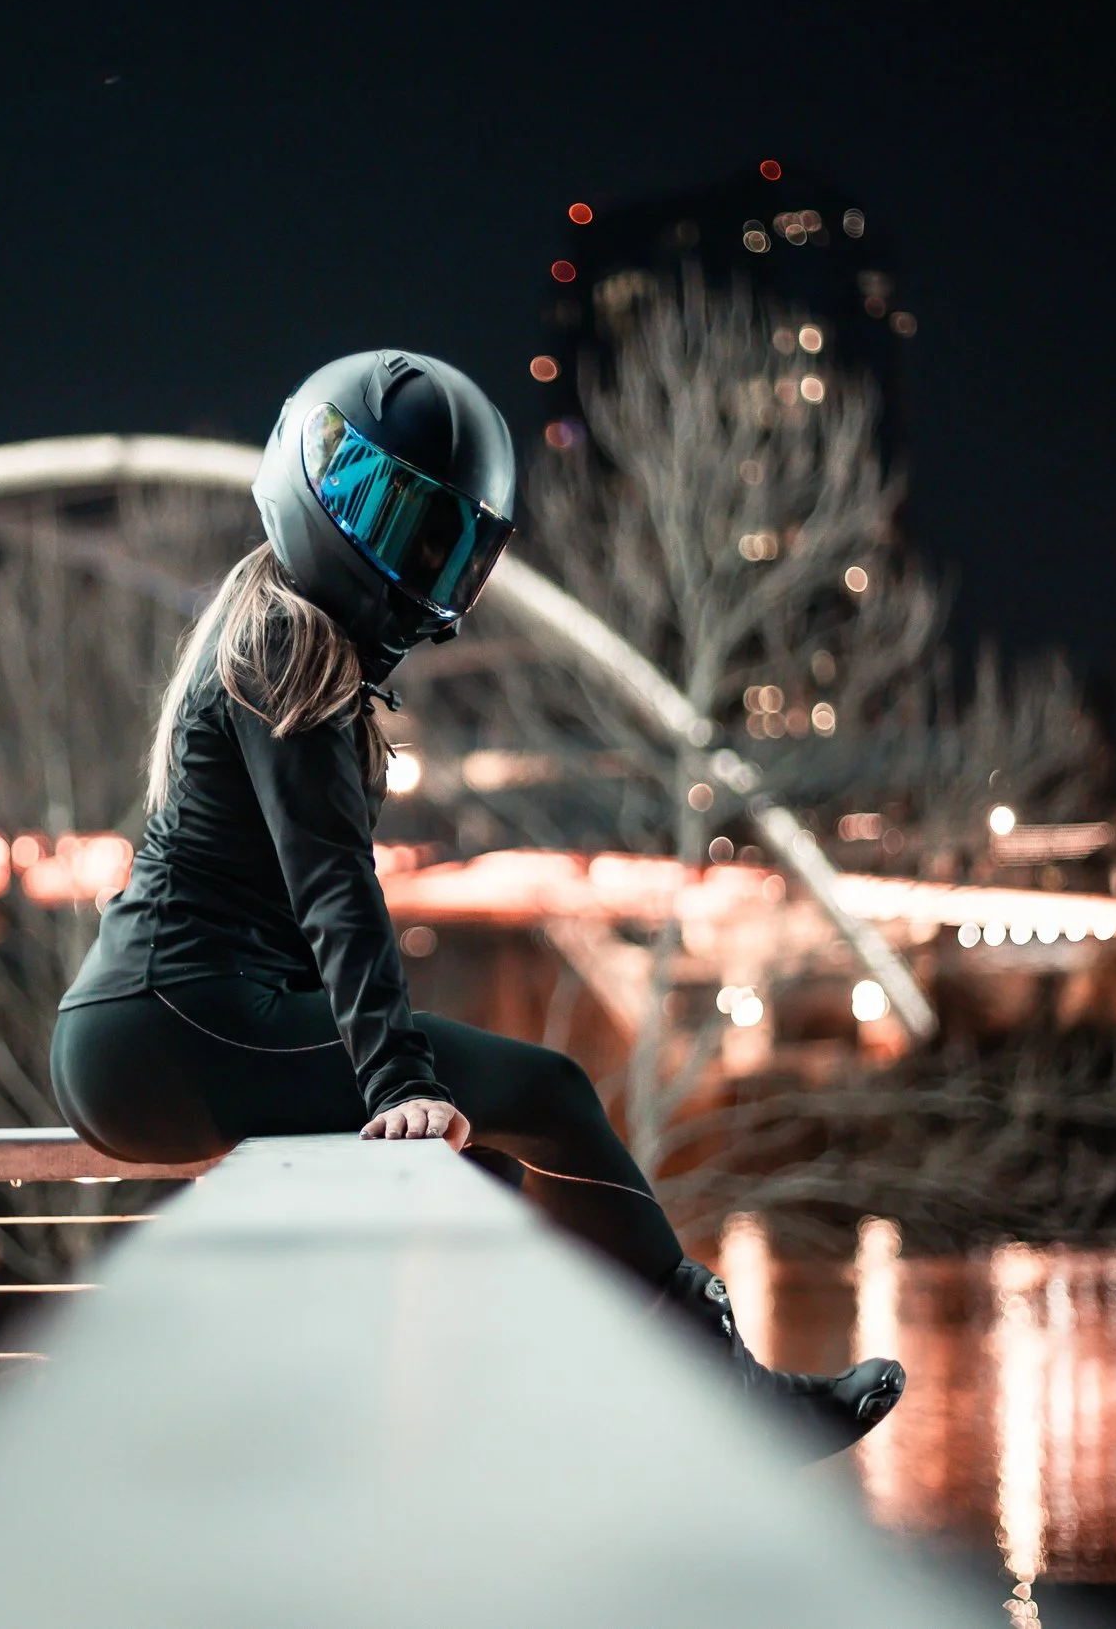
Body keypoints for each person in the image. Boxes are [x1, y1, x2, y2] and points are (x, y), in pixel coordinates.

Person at [50, 350, 903, 1456]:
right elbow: (331, 891)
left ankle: (535, 1413)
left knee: (494, 1158)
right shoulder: (285, 643)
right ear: (319, 481)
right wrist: (399, 1077)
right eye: (397, 519)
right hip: (173, 1027)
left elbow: (300, 898)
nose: (418, 564)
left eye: (446, 541)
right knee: (545, 1089)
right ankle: (724, 1400)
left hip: (156, 1027)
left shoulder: (275, 629)